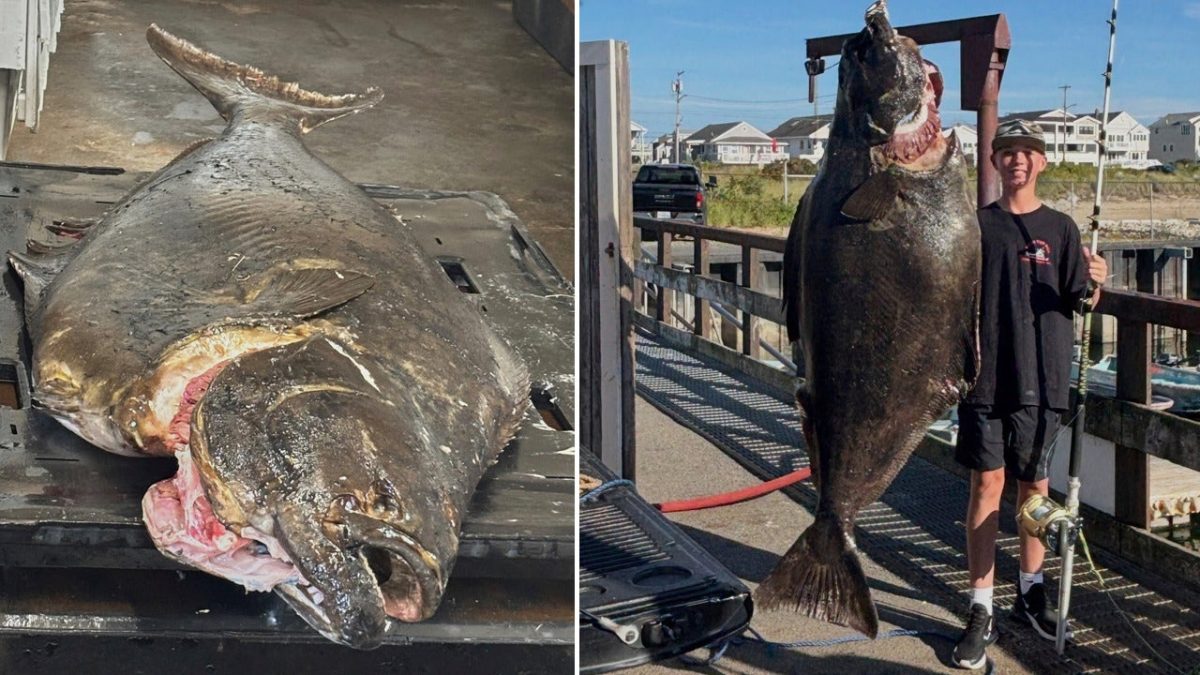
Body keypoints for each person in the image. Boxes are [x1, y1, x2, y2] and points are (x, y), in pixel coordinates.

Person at [951, 120, 1109, 670]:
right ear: (994, 163)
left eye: (1028, 153)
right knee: (985, 487)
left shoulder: (1061, 228)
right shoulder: (974, 227)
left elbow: (1081, 300)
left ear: (1041, 163)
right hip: (984, 379)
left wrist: (1097, 278)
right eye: (1008, 152)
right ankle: (979, 605)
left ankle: (1031, 590)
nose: (1018, 160)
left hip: (1043, 383)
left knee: (1034, 492)